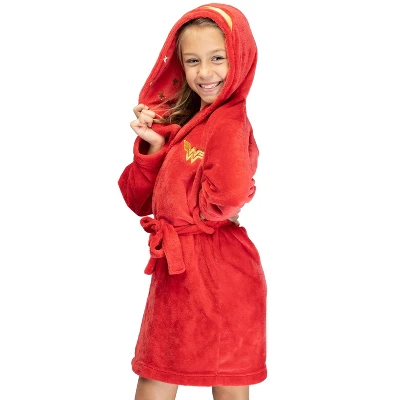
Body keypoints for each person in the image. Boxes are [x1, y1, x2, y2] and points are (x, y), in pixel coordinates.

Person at [118, 4, 267, 399]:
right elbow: (138, 200)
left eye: (218, 58)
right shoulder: (191, 123)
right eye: (193, 61)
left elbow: (229, 195)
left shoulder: (229, 121)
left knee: (224, 376)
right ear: (179, 65)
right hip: (180, 268)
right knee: (161, 371)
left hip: (218, 270)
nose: (205, 72)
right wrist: (156, 147)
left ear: (240, 57)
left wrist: (192, 217)